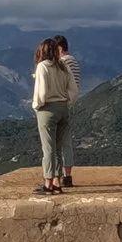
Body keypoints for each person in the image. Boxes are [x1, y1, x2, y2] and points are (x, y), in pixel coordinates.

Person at [32, 37, 74, 194]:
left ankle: (48, 184)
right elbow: (74, 89)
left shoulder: (42, 66)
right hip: (63, 108)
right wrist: (66, 100)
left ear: (42, 51)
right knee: (58, 147)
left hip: (47, 109)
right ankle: (57, 182)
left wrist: (37, 106)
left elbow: (41, 92)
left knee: (48, 148)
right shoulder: (63, 66)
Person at [50, 35, 80, 187]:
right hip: (70, 102)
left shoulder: (63, 62)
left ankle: (56, 177)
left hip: (60, 102)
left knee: (55, 143)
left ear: (59, 48)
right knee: (67, 142)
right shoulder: (73, 61)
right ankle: (68, 176)